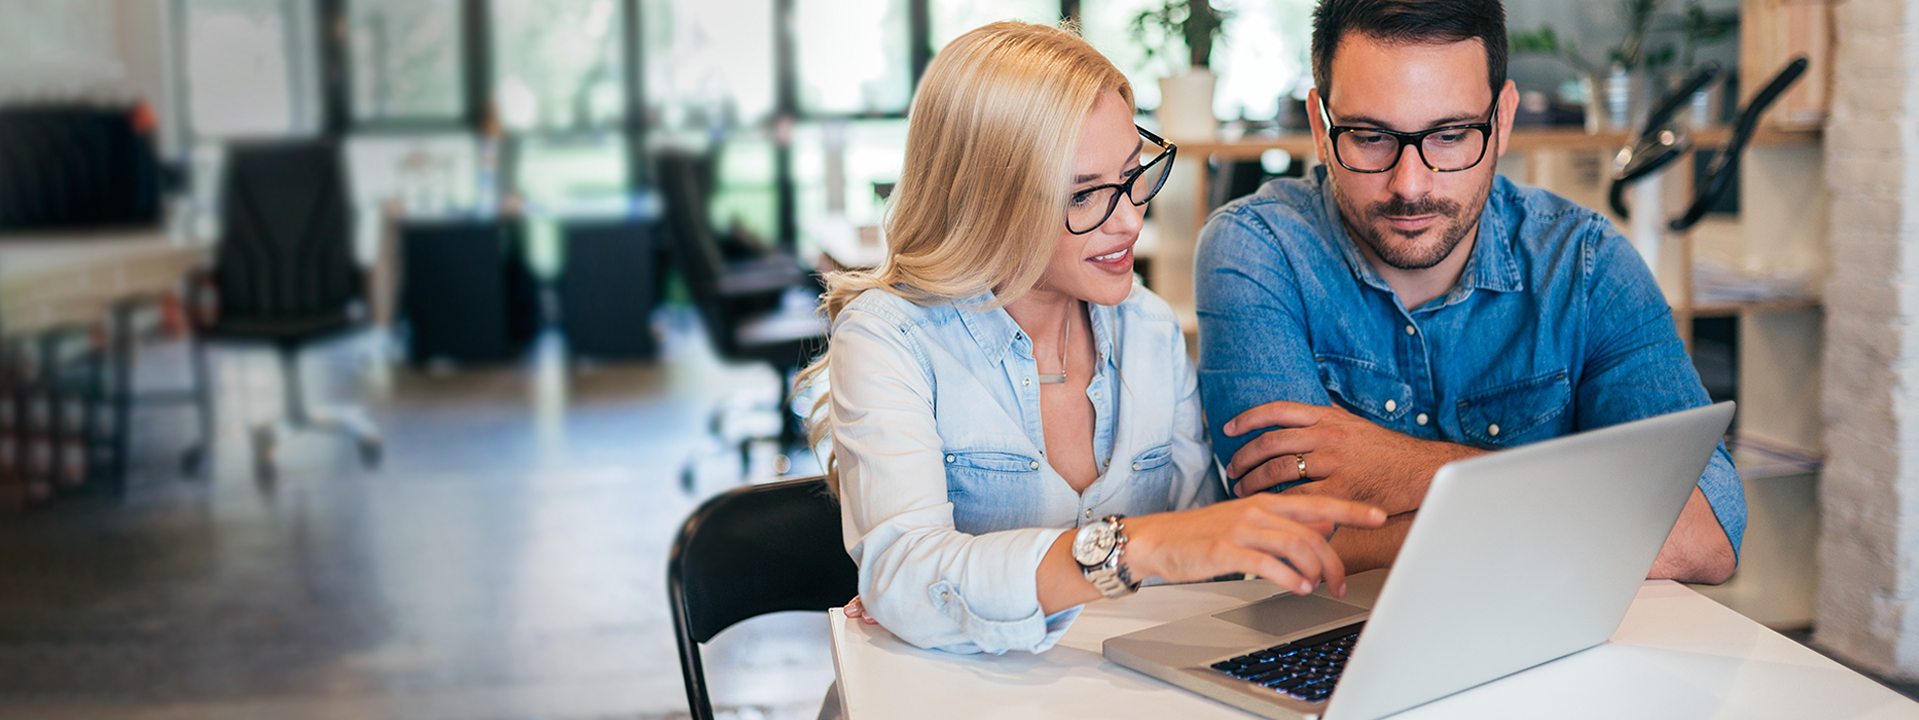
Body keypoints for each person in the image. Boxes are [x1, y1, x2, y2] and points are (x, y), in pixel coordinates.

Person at [800, 21, 1386, 655]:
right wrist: (1138, 548)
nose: (1131, 218)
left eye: (1134, 174)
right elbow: (907, 579)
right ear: (988, 199)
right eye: (1085, 195)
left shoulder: (1149, 328)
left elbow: (1205, 568)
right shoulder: (891, 337)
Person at [1194, 0, 1744, 584]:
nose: (1410, 185)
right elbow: (1289, 537)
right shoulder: (1256, 249)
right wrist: (1575, 515)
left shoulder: (1584, 264)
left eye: (1452, 135)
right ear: (1319, 127)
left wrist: (1406, 468)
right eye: (1368, 137)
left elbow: (1704, 534)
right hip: (1320, 651)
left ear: (1502, 120)